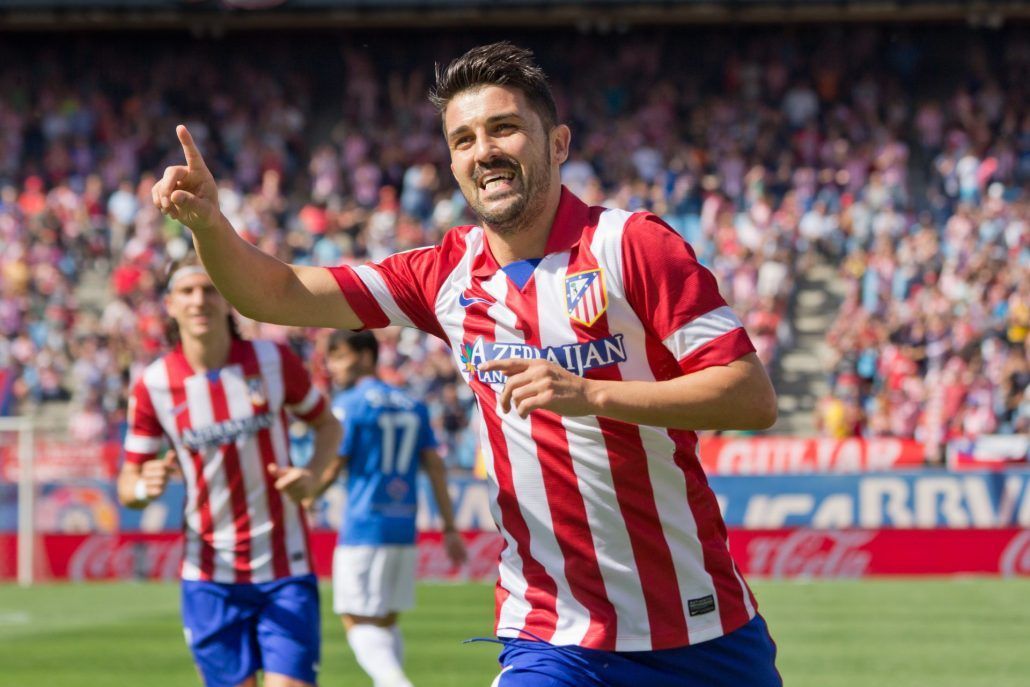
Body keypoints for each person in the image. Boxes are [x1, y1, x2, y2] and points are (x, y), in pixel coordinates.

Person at [153, 42, 781, 687]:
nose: (484, 151)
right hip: (551, 634)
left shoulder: (632, 244)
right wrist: (209, 227)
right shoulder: (441, 275)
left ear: (557, 143)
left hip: (701, 627)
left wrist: (592, 394)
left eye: (504, 128)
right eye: (463, 139)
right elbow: (277, 293)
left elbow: (748, 395)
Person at [116, 253, 342, 687]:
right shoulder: (154, 385)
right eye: (187, 291)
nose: (199, 300)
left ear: (226, 299)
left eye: (208, 289)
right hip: (209, 577)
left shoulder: (271, 360)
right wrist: (143, 488)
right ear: (170, 304)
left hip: (284, 566)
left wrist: (313, 474)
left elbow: (327, 425)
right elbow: (128, 482)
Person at [312, 329, 466, 687]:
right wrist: (449, 527)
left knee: (354, 619)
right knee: (385, 623)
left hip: (363, 526)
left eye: (339, 356)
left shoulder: (349, 404)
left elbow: (335, 464)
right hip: (402, 526)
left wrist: (307, 495)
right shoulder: (413, 403)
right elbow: (435, 467)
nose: (332, 367)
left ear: (365, 356)